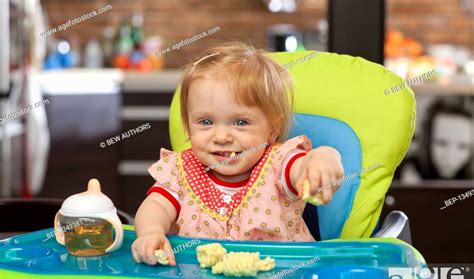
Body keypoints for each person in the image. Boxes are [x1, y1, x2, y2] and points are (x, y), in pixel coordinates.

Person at [132, 43, 344, 266]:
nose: (222, 136)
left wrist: (323, 159)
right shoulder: (181, 170)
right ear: (188, 126)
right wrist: (150, 232)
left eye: (240, 122)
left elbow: (302, 168)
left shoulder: (278, 164)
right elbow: (157, 206)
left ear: (272, 129)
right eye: (206, 122)